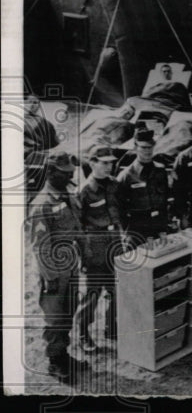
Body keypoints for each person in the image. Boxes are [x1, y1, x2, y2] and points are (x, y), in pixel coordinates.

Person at [28, 151, 88, 382]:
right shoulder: (41, 204)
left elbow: (76, 227)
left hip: (70, 266)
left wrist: (84, 253)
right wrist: (51, 277)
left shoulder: (67, 195)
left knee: (68, 312)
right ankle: (55, 363)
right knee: (55, 319)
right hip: (53, 273)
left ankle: (64, 355)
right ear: (51, 172)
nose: (70, 177)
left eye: (71, 173)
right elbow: (40, 247)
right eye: (65, 174)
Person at [77, 145, 124, 350]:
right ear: (92, 163)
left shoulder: (114, 184)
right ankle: (82, 334)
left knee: (116, 288)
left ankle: (111, 328)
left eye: (111, 163)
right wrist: (84, 255)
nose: (109, 166)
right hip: (94, 246)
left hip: (115, 241)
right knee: (93, 292)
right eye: (104, 163)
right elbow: (78, 227)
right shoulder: (84, 191)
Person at [116, 128, 175, 245]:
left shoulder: (161, 170)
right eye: (143, 147)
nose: (148, 151)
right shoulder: (126, 176)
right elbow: (119, 209)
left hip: (160, 227)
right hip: (139, 229)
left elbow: (166, 198)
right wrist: (126, 233)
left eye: (150, 147)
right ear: (135, 147)